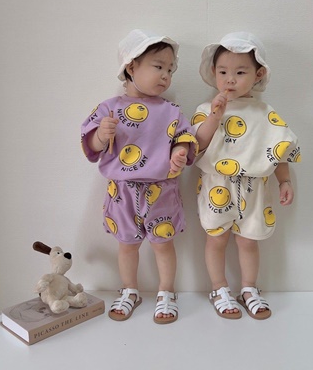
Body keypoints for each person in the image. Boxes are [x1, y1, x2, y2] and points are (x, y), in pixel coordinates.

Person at [81, 29, 198, 324]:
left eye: (170, 70)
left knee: (163, 244)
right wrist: (100, 135)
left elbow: (185, 136)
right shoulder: (110, 108)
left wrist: (179, 151)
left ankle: (166, 292)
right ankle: (129, 290)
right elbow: (91, 144)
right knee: (126, 245)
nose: (166, 76)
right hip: (122, 191)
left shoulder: (170, 110)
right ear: (131, 67)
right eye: (158, 66)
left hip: (162, 189)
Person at [192, 31, 300, 320]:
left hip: (255, 187)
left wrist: (285, 180)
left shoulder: (265, 112)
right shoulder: (206, 109)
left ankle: (249, 288)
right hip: (217, 184)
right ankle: (218, 288)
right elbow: (197, 145)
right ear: (214, 72)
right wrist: (215, 116)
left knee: (249, 240)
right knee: (216, 238)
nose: (230, 79)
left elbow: (278, 149)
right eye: (223, 72)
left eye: (240, 72)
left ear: (258, 74)